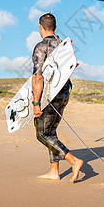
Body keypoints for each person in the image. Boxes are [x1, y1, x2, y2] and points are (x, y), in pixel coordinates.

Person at [31, 13, 83, 183]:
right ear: (54, 27)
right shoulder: (63, 45)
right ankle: (54, 171)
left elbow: (38, 77)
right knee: (51, 132)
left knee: (42, 134)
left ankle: (74, 161)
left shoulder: (41, 46)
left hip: (50, 96)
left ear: (40, 27)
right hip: (65, 92)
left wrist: (36, 103)